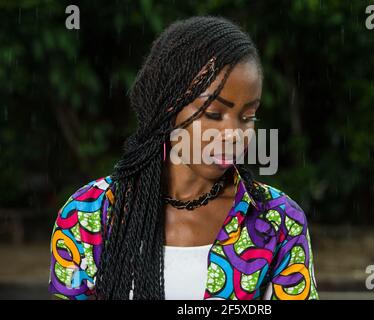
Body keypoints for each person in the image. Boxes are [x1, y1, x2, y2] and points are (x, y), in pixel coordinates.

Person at [48, 15, 318, 300]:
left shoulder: (278, 221)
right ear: (167, 109)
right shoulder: (87, 215)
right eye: (213, 114)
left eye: (248, 116)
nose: (233, 134)